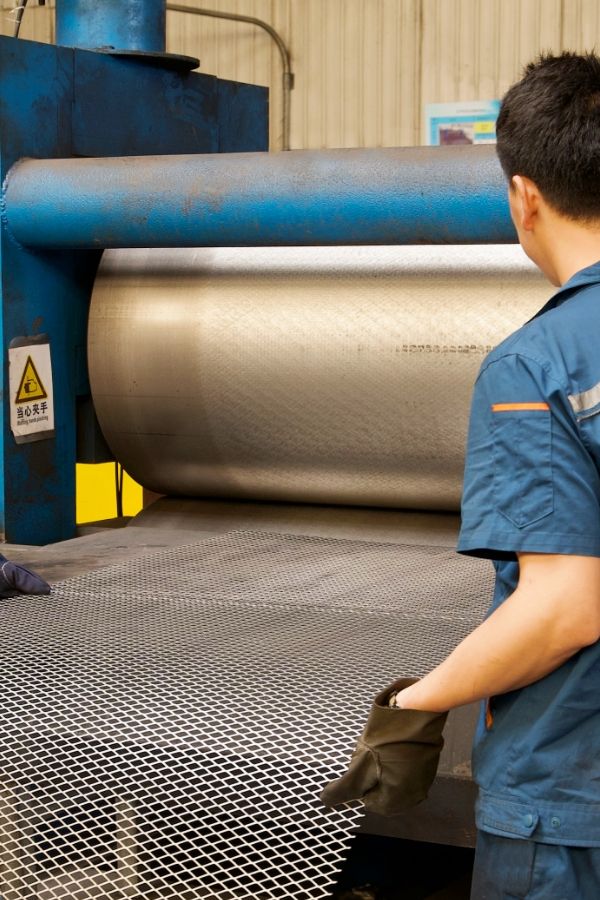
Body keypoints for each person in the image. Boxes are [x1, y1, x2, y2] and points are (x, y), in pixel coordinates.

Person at [323, 52, 600, 899]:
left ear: (523, 196)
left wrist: (417, 706)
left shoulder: (539, 363)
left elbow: (562, 610)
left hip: (572, 800)